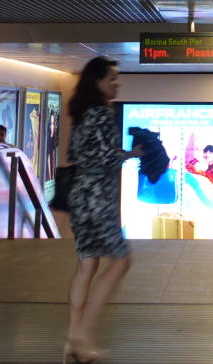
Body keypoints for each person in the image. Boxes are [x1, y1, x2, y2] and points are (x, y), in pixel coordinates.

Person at [63, 57, 142, 363]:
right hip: (99, 200)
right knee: (121, 262)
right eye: (112, 78)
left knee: (86, 267)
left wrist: (118, 155)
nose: (116, 83)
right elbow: (106, 158)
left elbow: (73, 155)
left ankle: (72, 336)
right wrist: (132, 154)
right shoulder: (102, 113)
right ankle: (82, 336)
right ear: (97, 81)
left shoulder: (80, 113)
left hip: (80, 198)